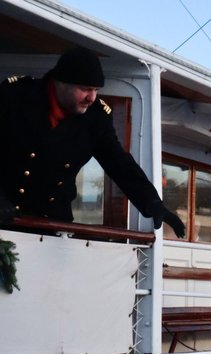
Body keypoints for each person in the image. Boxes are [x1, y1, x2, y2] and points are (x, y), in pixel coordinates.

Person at [0, 46, 184, 237]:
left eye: (96, 90)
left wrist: (153, 203)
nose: (92, 98)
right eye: (85, 89)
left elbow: (120, 164)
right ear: (61, 82)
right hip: (6, 217)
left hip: (52, 224)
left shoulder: (96, 118)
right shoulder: (15, 97)